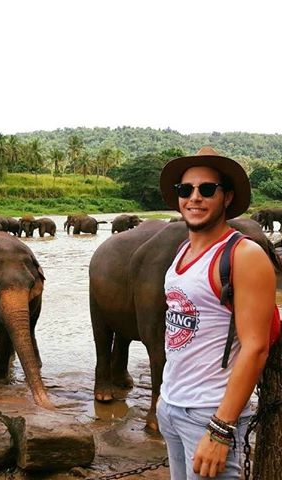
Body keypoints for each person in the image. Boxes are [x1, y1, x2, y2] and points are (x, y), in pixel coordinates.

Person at [156, 146, 276, 479]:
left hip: (209, 414)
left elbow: (256, 347)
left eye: (207, 189)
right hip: (171, 406)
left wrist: (221, 428)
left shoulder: (244, 255)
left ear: (227, 197)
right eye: (186, 189)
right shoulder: (183, 250)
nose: (194, 197)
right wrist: (164, 399)